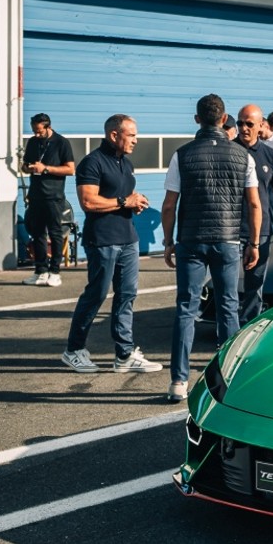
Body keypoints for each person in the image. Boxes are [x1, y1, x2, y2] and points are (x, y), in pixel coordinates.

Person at [163, 95, 264, 403]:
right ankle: (229, 378)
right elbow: (254, 203)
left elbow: (169, 204)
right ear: (224, 120)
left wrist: (168, 241)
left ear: (197, 120)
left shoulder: (182, 155)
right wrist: (254, 243)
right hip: (229, 239)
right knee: (228, 306)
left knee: (186, 309)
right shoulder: (242, 156)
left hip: (191, 240)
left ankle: (178, 381)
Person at [60, 115, 161, 375]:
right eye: (132, 135)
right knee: (96, 295)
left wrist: (134, 203)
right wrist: (124, 202)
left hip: (128, 239)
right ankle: (74, 350)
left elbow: (123, 199)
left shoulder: (125, 164)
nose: (136, 140)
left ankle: (124, 355)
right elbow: (89, 202)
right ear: (114, 135)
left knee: (127, 297)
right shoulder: (92, 163)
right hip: (103, 241)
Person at [235, 104, 273, 321]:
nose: (243, 128)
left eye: (249, 124)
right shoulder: (229, 151)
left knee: (255, 287)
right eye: (240, 123)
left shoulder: (270, 155)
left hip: (261, 231)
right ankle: (227, 335)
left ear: (261, 126)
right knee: (228, 289)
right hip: (230, 231)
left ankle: (247, 330)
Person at [20, 113, 75, 288]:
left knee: (55, 233)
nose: (36, 134)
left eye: (39, 131)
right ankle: (40, 271)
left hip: (53, 196)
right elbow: (24, 165)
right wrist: (28, 167)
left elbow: (70, 169)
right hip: (35, 195)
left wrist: (45, 169)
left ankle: (55, 272)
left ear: (48, 127)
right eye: (34, 130)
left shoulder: (61, 143)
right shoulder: (33, 142)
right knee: (37, 234)